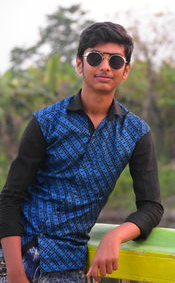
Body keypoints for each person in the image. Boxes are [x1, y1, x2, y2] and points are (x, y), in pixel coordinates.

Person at [0, 21, 164, 283]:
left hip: (68, 266)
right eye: (95, 57)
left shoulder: (136, 133)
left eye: (116, 61)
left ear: (125, 71)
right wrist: (15, 273)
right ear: (80, 64)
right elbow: (10, 198)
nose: (105, 66)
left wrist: (115, 236)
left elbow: (151, 207)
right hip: (14, 258)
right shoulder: (46, 121)